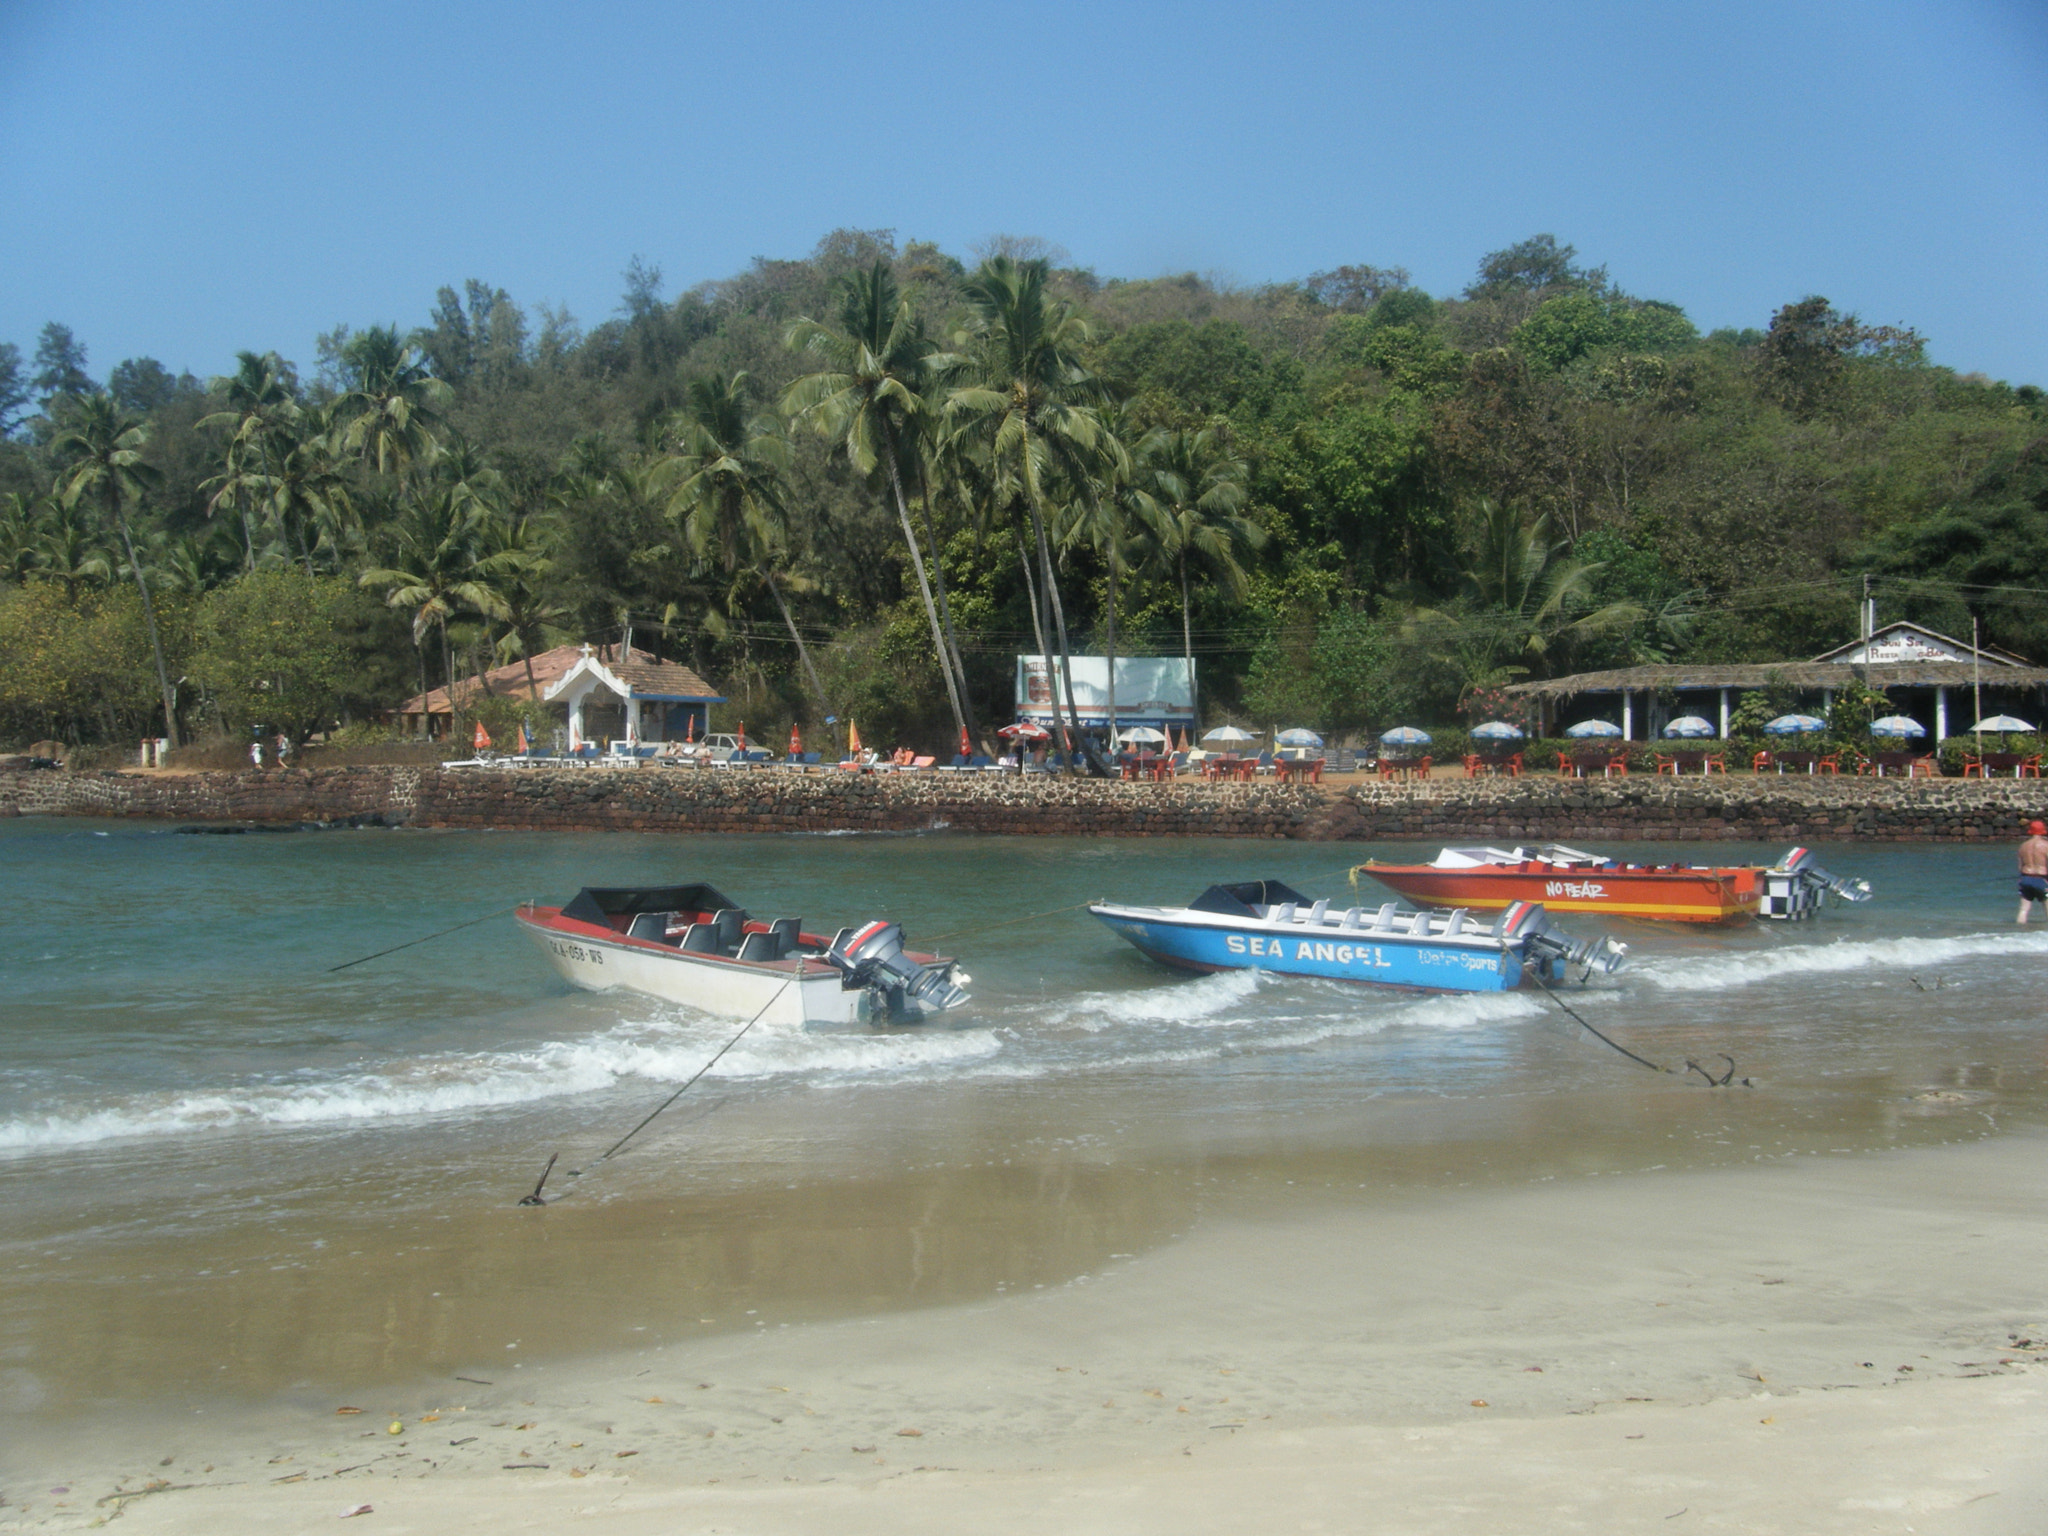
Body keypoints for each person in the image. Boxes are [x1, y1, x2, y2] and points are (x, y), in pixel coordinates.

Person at [2019, 820, 2048, 924]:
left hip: (2025, 879)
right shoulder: (2046, 845)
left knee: (2023, 910)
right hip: (2041, 880)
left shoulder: (2023, 846)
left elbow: (2020, 866)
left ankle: (2018, 933)